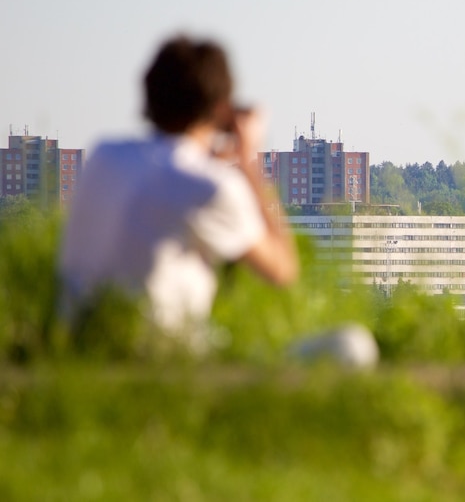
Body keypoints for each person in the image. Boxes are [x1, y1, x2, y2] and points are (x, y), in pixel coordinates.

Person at [60, 35, 298, 338]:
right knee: (353, 345)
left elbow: (167, 170)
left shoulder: (104, 155)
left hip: (75, 341)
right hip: (161, 352)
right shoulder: (212, 187)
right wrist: (250, 161)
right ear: (221, 109)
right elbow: (283, 269)